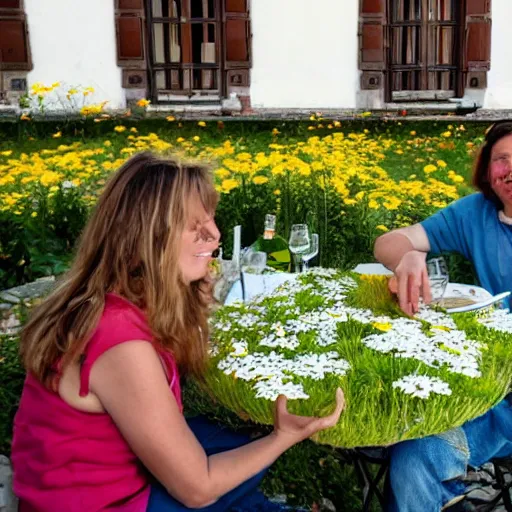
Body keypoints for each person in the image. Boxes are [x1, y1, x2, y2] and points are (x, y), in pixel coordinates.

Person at [11, 152, 345, 512]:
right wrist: (285, 437)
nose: (215, 235)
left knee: (236, 444)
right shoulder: (119, 341)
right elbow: (197, 488)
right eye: (194, 226)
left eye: (211, 220)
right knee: (244, 459)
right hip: (106, 504)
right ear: (146, 238)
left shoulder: (118, 298)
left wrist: (197, 303)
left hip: (90, 482)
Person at [374, 121, 512, 512]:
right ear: (488, 169)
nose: (511, 170)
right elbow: (387, 242)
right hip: (479, 384)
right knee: (402, 432)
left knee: (414, 450)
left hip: (502, 404)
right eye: (502, 160)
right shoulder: (477, 215)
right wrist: (409, 257)